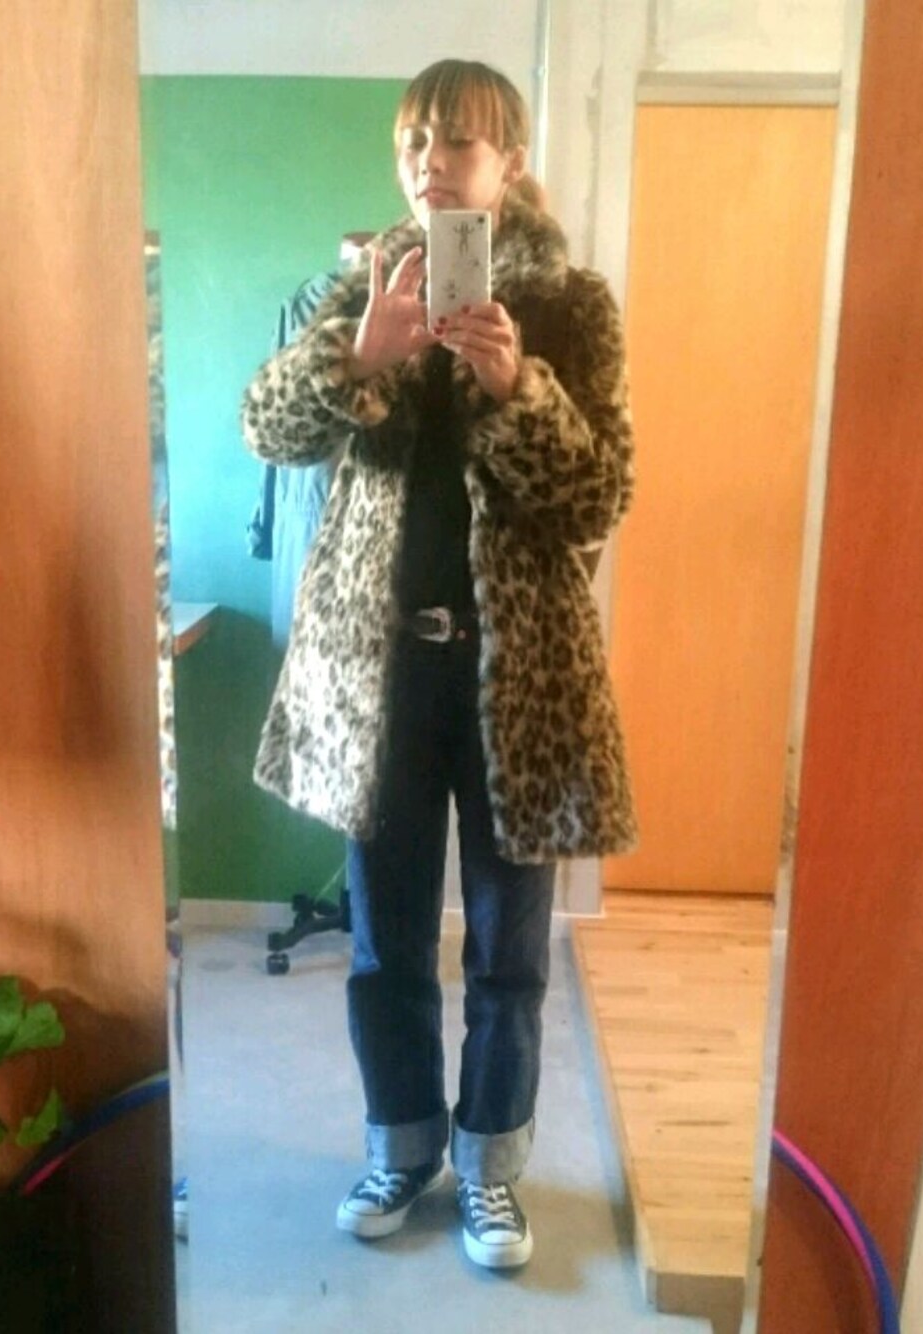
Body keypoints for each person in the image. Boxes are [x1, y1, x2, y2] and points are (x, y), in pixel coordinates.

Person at [240, 58, 637, 1271]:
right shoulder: (356, 285)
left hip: (518, 680)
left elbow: (598, 496)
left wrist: (518, 386)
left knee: (509, 952)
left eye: (457, 141)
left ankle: (491, 1169)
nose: (430, 161)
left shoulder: (571, 307)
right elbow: (264, 427)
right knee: (386, 942)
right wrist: (358, 356)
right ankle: (402, 1144)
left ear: (508, 161)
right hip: (381, 679)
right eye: (415, 140)